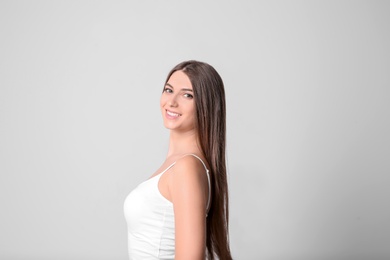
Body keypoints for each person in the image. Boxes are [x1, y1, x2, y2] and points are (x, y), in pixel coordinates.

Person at [124, 60, 232, 260]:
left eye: (187, 95)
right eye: (168, 90)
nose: (172, 102)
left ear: (206, 105)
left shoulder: (186, 167)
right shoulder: (178, 164)